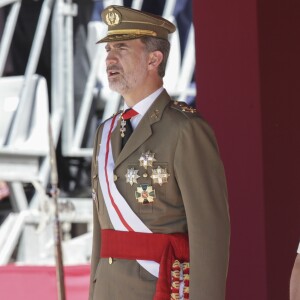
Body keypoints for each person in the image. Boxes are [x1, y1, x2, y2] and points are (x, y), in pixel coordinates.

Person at [89, 5, 230, 300]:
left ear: (154, 59)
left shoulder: (185, 129)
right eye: (109, 48)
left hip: (161, 288)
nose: (110, 58)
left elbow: (210, 234)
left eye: (123, 48)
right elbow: (101, 236)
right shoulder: (105, 132)